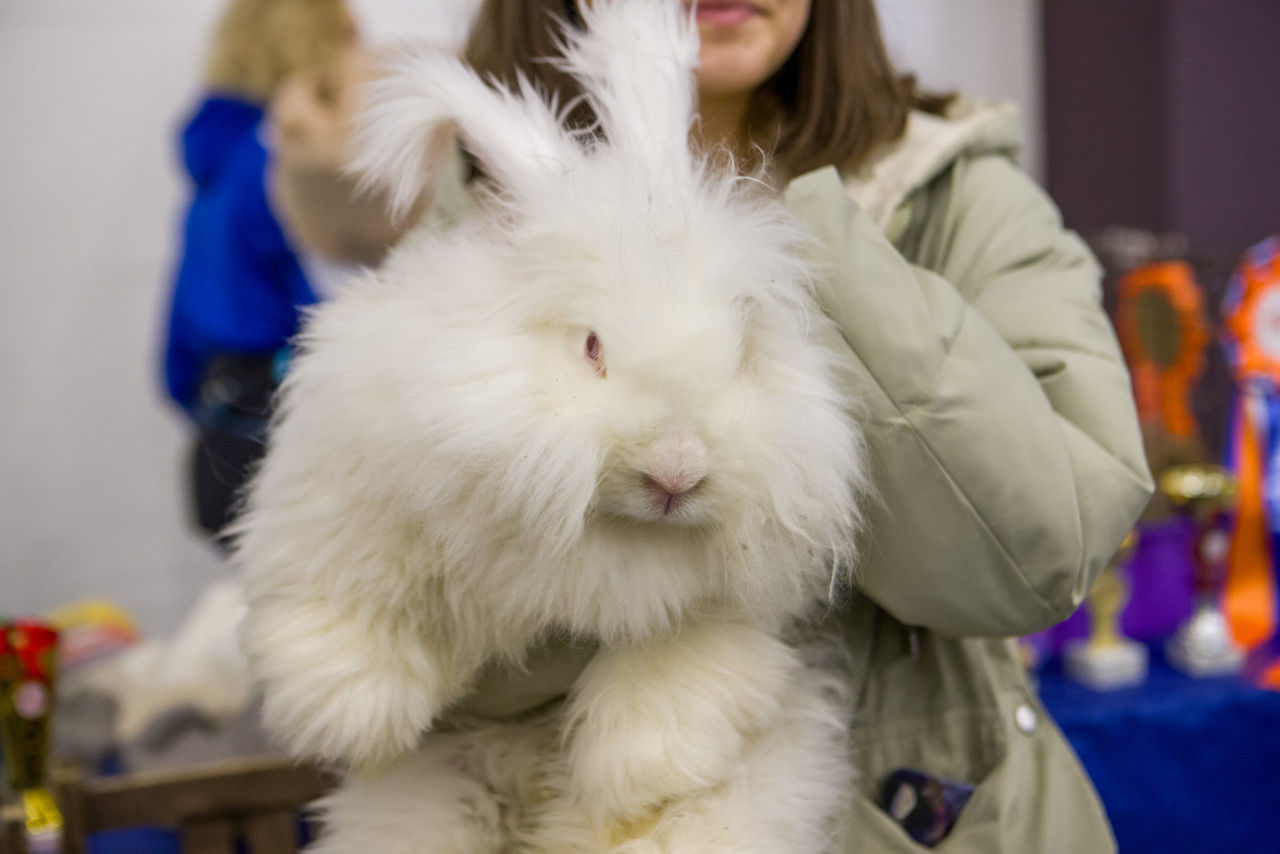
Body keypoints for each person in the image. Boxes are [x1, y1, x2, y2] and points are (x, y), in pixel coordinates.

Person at [268, 1, 1153, 850]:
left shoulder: (964, 195)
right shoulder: (484, 222)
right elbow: (367, 571)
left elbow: (1041, 551)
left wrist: (810, 250)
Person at [162, 0, 387, 544]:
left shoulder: (213, 167)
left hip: (219, 434)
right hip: (280, 437)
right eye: (351, 36)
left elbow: (175, 359)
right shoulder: (282, 167)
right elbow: (337, 305)